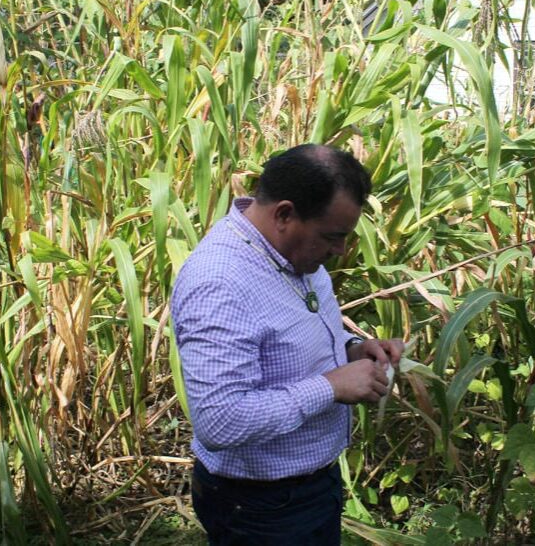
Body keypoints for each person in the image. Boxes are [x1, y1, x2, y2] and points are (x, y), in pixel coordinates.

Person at [170, 144, 404, 545]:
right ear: (284, 214)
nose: (340, 250)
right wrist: (331, 386)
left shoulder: (294, 254)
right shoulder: (220, 282)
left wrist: (352, 350)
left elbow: (292, 336)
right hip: (261, 507)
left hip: (312, 486)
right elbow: (220, 421)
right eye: (332, 237)